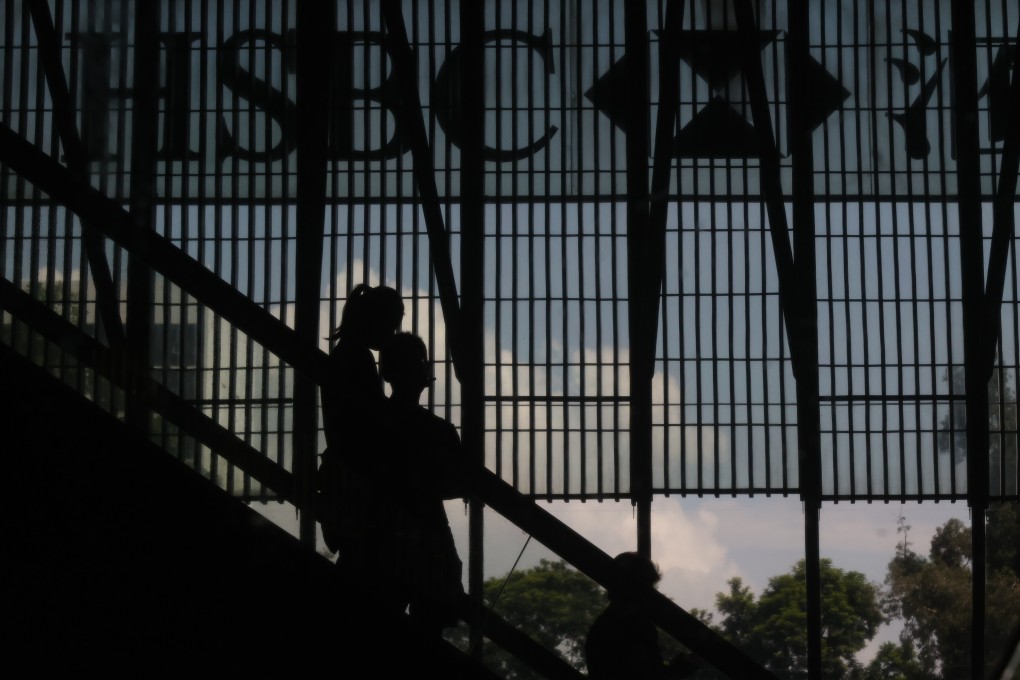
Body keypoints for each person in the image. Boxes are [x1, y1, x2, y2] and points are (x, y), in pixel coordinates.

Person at [317, 284, 404, 606]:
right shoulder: (357, 359)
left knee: (357, 566)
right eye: (391, 325)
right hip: (357, 481)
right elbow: (369, 425)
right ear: (375, 321)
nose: (393, 333)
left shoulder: (345, 354)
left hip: (345, 480)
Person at [378, 331, 468, 637]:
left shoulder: (372, 421)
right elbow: (458, 482)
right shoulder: (439, 431)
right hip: (429, 535)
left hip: (380, 536)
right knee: (430, 626)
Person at [585, 552, 701, 680]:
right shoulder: (637, 628)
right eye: (647, 585)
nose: (650, 592)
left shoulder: (603, 628)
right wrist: (681, 668)